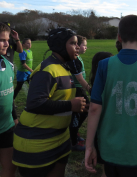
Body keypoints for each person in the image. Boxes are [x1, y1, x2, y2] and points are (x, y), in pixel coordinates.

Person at [85, 15, 137, 177]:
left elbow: (94, 109)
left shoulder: (104, 65)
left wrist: (89, 145)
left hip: (109, 148)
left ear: (119, 37)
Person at [13, 28, 87, 177]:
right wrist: (70, 105)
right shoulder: (47, 70)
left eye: (78, 44)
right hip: (36, 144)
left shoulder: (64, 67)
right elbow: (35, 103)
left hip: (59, 139)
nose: (77, 47)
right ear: (60, 45)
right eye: (73, 43)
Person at [90, 51, 114, 177]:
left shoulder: (96, 80)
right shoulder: (104, 83)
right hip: (105, 126)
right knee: (108, 163)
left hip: (103, 126)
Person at [68, 35, 91, 151]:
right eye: (84, 45)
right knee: (79, 114)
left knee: (84, 112)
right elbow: (80, 80)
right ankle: (73, 141)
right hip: (77, 90)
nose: (85, 47)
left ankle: (74, 133)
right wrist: (90, 89)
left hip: (79, 90)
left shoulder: (78, 58)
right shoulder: (75, 60)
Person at [0, 22, 17, 177]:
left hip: (7, 126)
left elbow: (9, 93)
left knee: (10, 168)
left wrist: (14, 116)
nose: (7, 44)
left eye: (7, 40)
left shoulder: (7, 63)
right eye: (2, 40)